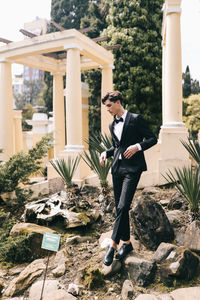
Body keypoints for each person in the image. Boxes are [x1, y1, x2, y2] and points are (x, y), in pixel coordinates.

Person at [100, 91, 157, 266]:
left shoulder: (136, 119)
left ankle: (113, 245)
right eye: (106, 107)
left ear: (118, 102)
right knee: (119, 208)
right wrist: (105, 153)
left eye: (109, 105)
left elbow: (153, 138)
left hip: (133, 169)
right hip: (117, 169)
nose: (107, 109)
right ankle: (127, 243)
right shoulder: (112, 126)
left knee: (124, 205)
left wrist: (138, 146)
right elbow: (117, 146)